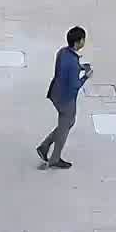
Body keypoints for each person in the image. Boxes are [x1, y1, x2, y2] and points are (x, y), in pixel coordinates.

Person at [36, 26, 91, 169]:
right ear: (78, 42)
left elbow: (64, 70)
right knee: (65, 126)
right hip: (67, 99)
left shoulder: (63, 52)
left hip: (56, 93)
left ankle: (45, 146)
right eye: (83, 40)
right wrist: (86, 76)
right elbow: (75, 85)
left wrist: (81, 67)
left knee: (68, 123)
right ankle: (53, 157)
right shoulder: (73, 62)